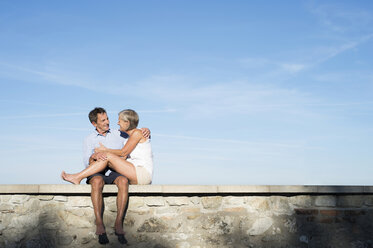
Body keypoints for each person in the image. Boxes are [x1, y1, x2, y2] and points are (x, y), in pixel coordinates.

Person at [61, 108, 153, 243]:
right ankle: (99, 223)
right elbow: (89, 162)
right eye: (103, 120)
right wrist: (95, 156)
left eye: (107, 119)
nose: (109, 122)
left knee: (121, 180)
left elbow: (134, 136)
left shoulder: (120, 133)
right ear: (94, 123)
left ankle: (118, 224)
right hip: (97, 172)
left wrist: (147, 130)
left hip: (117, 172)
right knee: (98, 178)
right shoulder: (88, 139)